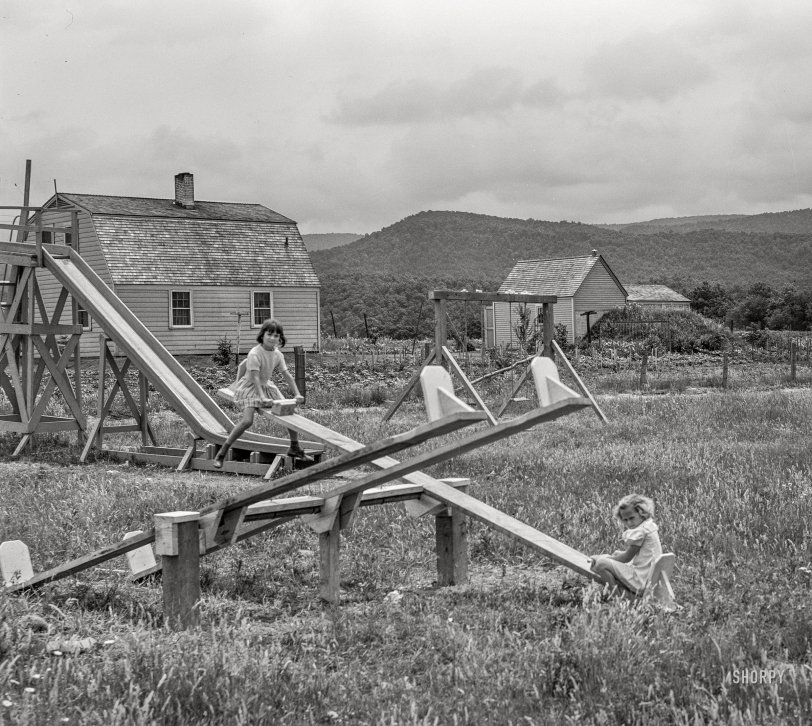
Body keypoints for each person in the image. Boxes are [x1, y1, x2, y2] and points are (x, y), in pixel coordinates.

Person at [213, 318, 310, 468]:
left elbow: (287, 375)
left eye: (276, 336)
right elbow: (255, 377)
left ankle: (294, 447)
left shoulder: (278, 354)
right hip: (251, 387)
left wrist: (297, 393)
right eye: (269, 334)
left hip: (266, 386)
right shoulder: (255, 353)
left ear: (280, 338)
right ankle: (222, 452)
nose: (272, 338)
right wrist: (262, 397)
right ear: (262, 335)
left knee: (291, 412)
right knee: (247, 421)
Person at [590, 494, 662, 596]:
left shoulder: (640, 532)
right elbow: (637, 554)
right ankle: (618, 591)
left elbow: (626, 558)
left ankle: (616, 595)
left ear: (642, 513)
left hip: (641, 579)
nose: (629, 523)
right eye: (625, 520)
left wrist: (602, 557)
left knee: (601, 564)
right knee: (615, 554)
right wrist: (615, 556)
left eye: (632, 518)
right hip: (649, 575)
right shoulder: (649, 526)